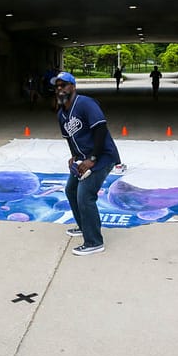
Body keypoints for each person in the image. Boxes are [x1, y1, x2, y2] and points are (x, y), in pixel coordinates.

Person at [52, 71, 121, 256]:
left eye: (64, 85)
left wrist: (92, 159)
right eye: (57, 86)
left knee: (85, 195)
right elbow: (70, 138)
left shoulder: (85, 103)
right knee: (70, 189)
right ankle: (84, 226)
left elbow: (100, 129)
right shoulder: (61, 114)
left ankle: (94, 242)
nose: (60, 89)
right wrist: (74, 156)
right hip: (84, 159)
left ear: (73, 87)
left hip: (103, 156)